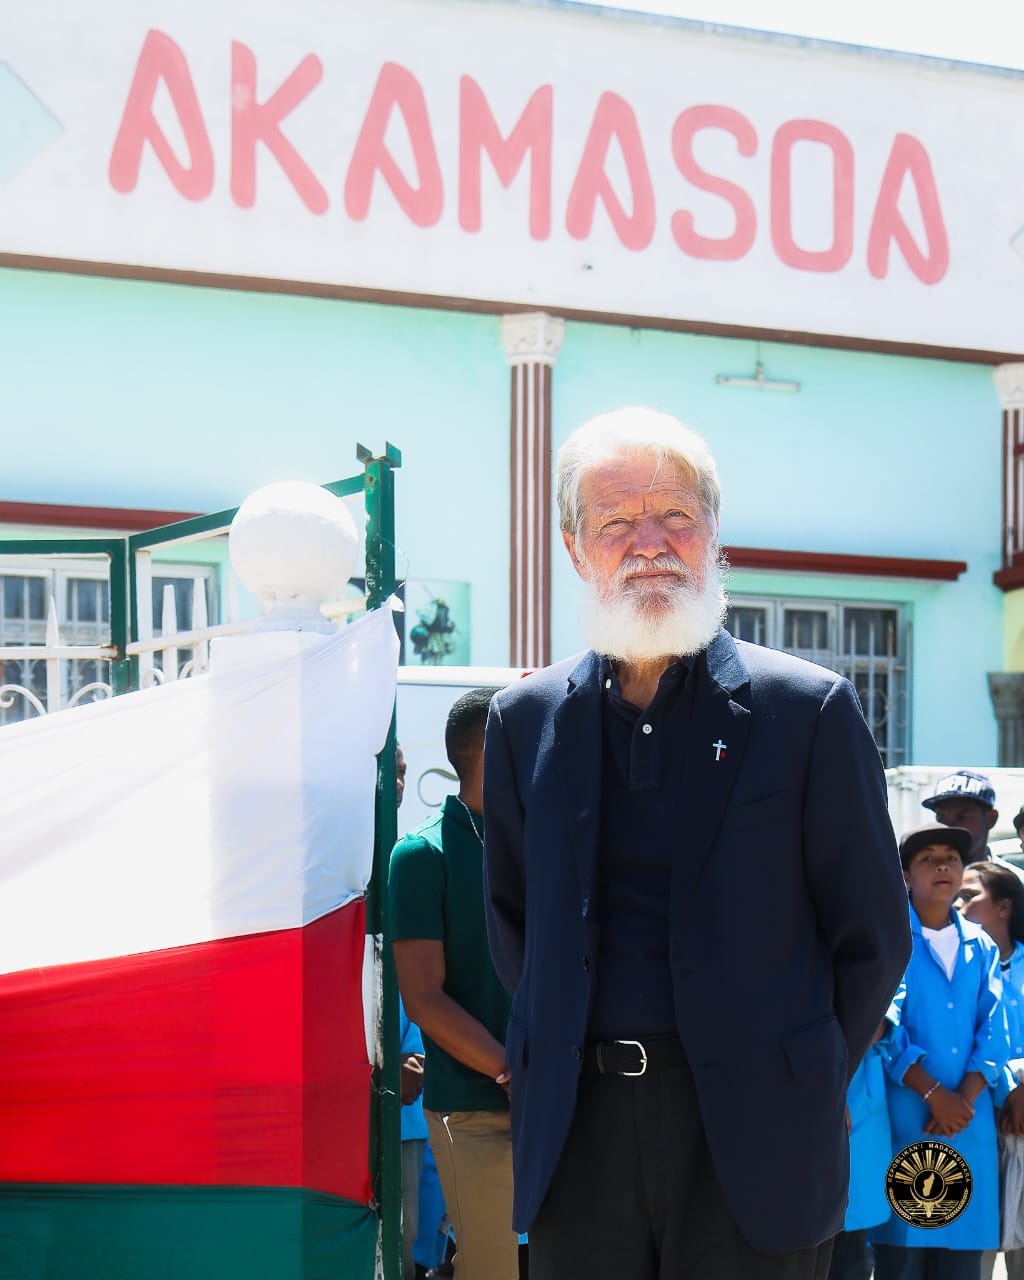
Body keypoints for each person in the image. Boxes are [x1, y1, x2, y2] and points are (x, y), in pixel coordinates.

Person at [482, 406, 911, 1280]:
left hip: (759, 1137)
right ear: (576, 550)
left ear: (713, 532)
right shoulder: (524, 721)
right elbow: (514, 920)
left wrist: (801, 1074)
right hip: (579, 1139)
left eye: (674, 515)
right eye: (616, 523)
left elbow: (872, 935)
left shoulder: (807, 711)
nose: (650, 544)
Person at [389, 689, 517, 1280]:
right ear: (494, 748)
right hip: (475, 1112)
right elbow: (423, 999)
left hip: (565, 1105)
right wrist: (513, 1071)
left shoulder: (548, 842)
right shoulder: (422, 854)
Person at [872, 824, 1011, 1280]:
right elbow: (884, 1027)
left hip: (966, 1124)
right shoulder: (892, 940)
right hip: (911, 1120)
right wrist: (935, 1095)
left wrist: (961, 1101)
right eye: (927, 859)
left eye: (950, 857)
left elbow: (995, 1030)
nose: (941, 866)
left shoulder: (982, 944)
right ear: (906, 875)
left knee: (961, 1263)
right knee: (903, 1258)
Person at [957, 860, 1024, 1280]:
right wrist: (1006, 1089)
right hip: (973, 1116)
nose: (959, 904)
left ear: (1003, 907)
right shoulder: (957, 967)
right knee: (974, 1245)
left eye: (970, 896)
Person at [828, 1021, 894, 1280]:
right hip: (805, 1095)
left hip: (859, 1120)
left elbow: (875, 1022)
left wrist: (833, 1087)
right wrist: (826, 1088)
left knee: (851, 1259)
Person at [924, 770, 1024, 881]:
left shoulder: (1014, 884)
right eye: (941, 818)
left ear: (991, 818)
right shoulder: (921, 883)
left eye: (961, 817)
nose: (949, 828)